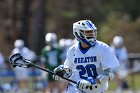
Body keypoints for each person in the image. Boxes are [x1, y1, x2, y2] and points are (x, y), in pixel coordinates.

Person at [53, 20, 120, 93]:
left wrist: (93, 82)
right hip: (76, 89)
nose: (92, 34)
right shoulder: (72, 50)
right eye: (88, 32)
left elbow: (110, 73)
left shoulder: (102, 47)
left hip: (95, 90)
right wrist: (60, 72)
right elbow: (68, 70)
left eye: (92, 32)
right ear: (78, 33)